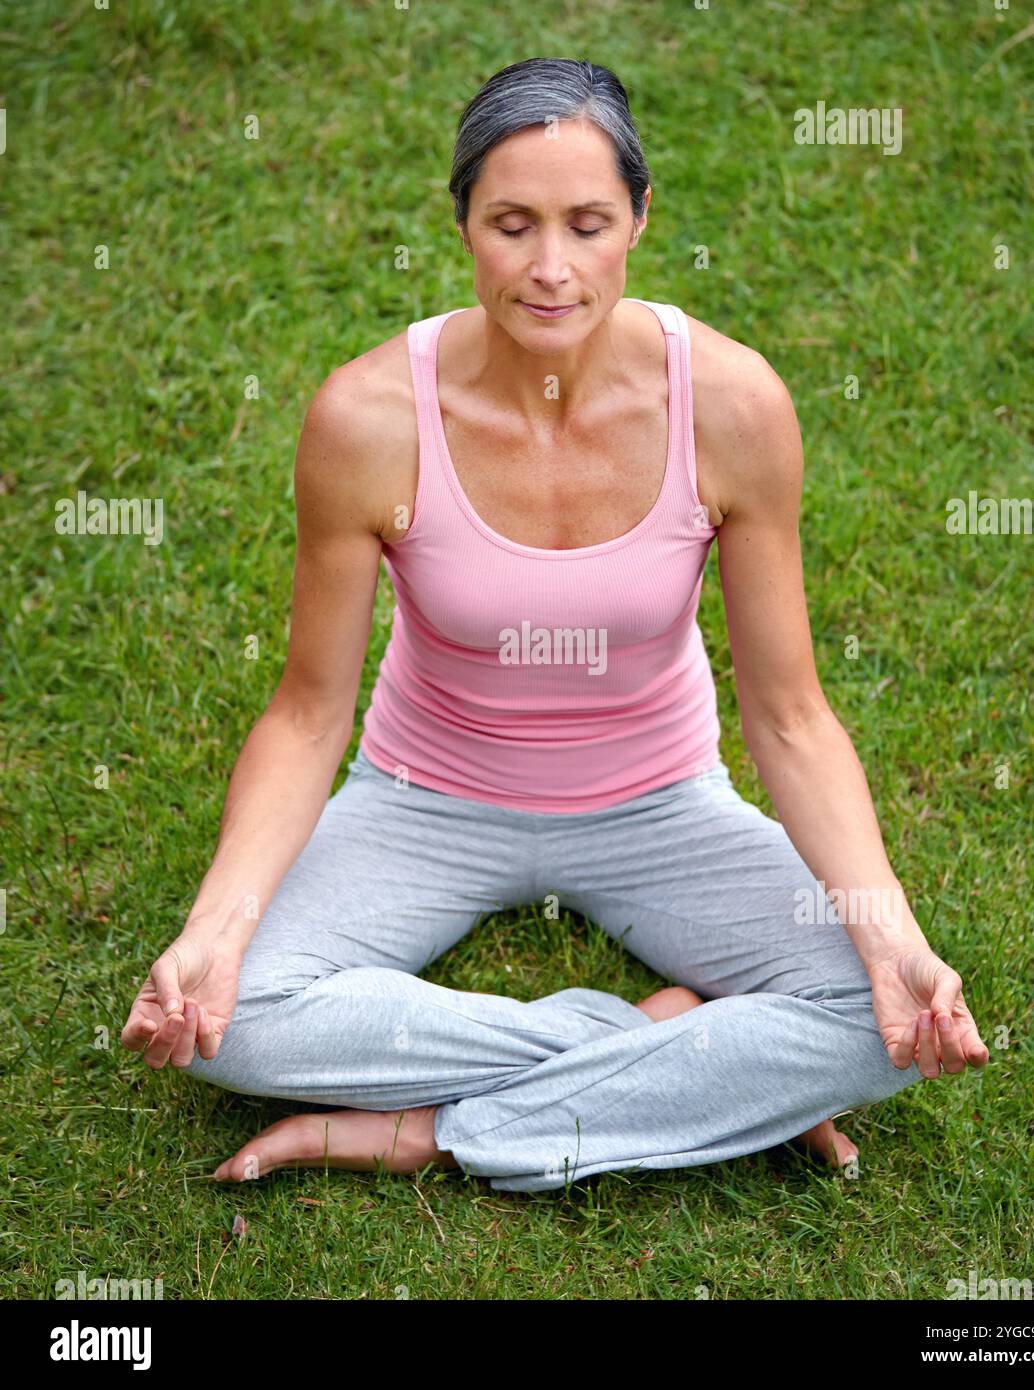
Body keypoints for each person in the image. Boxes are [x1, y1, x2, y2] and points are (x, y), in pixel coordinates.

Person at [120, 59, 988, 1193]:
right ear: (462, 227)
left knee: (883, 1011)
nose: (548, 268)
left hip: (660, 803)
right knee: (233, 1018)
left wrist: (889, 934)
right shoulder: (366, 419)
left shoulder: (731, 406)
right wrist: (212, 928)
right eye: (509, 224)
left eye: (586, 224)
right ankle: (681, 1066)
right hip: (425, 799)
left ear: (638, 218)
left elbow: (789, 714)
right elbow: (305, 712)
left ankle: (430, 1130)